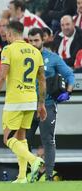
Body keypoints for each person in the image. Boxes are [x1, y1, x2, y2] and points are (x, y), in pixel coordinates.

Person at [0, 21, 47, 184]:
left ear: (10, 34)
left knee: (8, 139)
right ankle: (22, 176)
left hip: (15, 100)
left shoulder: (9, 49)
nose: (6, 37)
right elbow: (42, 80)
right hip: (31, 100)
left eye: (6, 34)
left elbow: (1, 76)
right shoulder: (36, 52)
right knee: (21, 137)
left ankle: (33, 160)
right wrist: (41, 103)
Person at [26, 28, 75, 181]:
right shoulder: (25, 58)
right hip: (27, 106)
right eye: (31, 41)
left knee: (47, 140)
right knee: (23, 140)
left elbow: (69, 75)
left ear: (43, 39)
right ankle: (29, 172)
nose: (33, 44)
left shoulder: (53, 58)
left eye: (36, 40)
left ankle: (48, 176)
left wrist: (68, 92)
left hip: (47, 105)